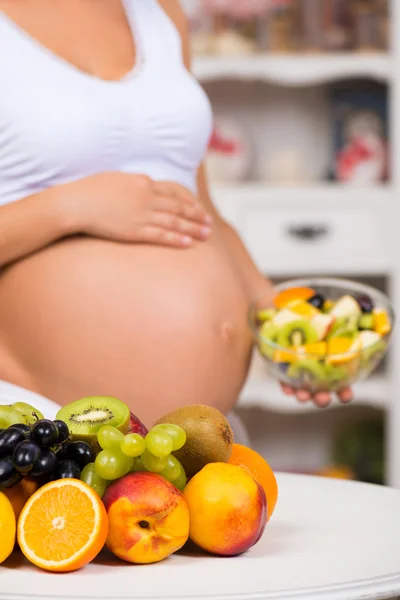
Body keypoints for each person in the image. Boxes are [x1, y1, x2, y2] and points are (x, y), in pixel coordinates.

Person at [0, 0, 352, 431]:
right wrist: (70, 207)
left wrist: (282, 322)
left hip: (201, 439)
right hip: (43, 430)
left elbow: (199, 209)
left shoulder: (161, 12)